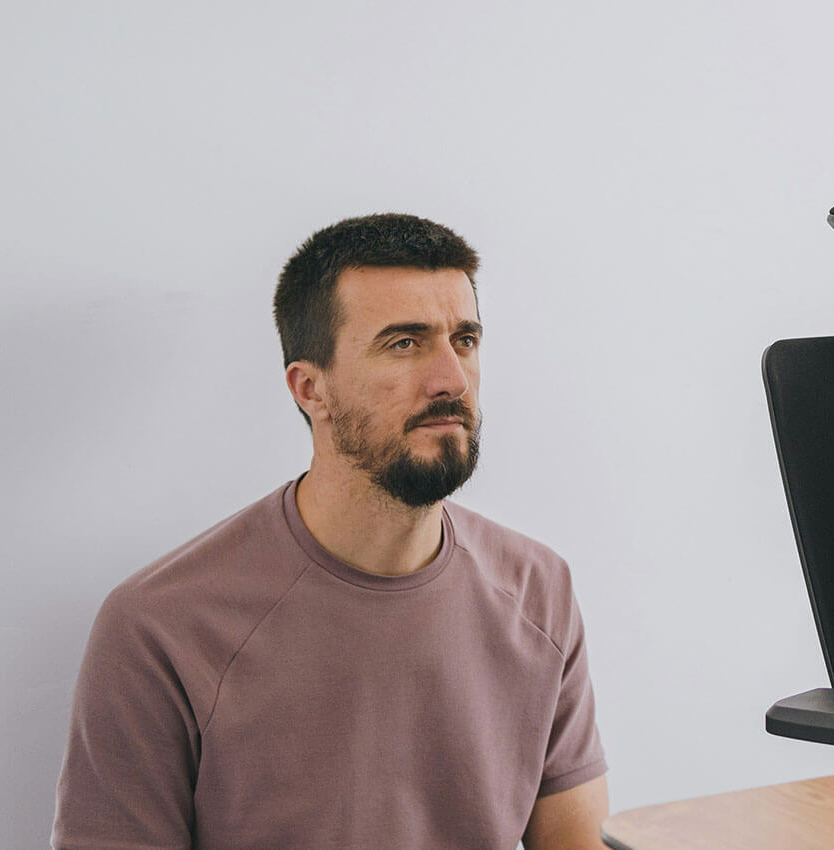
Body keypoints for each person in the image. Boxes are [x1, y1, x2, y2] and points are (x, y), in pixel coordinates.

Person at [52, 213, 608, 848]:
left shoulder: (538, 590)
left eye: (466, 339)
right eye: (404, 343)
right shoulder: (159, 627)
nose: (452, 379)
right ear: (309, 388)